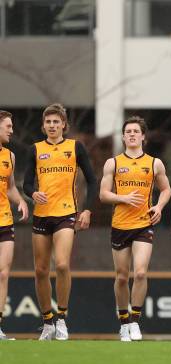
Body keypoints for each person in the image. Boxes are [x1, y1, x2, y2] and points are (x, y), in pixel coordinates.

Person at [23, 103, 97, 341]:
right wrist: (33, 193)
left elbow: (93, 181)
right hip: (42, 215)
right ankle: (47, 322)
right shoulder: (35, 149)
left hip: (67, 213)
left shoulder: (75, 147)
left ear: (64, 124)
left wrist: (86, 210)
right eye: (48, 122)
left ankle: (62, 318)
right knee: (41, 270)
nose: (52, 126)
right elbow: (26, 184)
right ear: (43, 126)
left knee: (62, 265)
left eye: (57, 122)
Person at [99, 116, 171, 342]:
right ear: (123, 137)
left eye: (135, 131)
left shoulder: (154, 163)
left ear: (143, 137)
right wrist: (123, 198)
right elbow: (103, 194)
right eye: (128, 131)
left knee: (140, 272)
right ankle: (123, 323)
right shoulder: (113, 163)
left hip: (143, 224)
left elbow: (167, 189)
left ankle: (135, 321)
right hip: (120, 225)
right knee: (121, 277)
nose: (131, 134)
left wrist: (158, 206)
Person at [0, 111, 29, 340]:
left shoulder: (9, 156)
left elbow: (9, 187)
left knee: (3, 273)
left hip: (4, 220)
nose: (11, 130)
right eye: (8, 126)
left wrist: (20, 202)